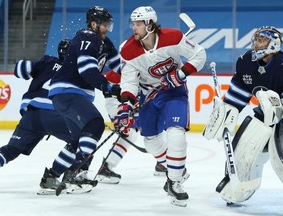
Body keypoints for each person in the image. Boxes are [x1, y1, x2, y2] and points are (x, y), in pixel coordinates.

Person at [114, 6, 206, 207]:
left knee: (176, 133)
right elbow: (128, 81)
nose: (134, 28)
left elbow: (199, 54)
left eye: (138, 24)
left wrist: (180, 75)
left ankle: (174, 182)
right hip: (148, 95)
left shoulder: (173, 37)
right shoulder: (128, 50)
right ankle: (177, 169)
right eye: (133, 24)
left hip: (174, 92)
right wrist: (126, 104)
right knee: (151, 142)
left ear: (149, 24)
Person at [39, 6, 121, 193]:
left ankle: (50, 178)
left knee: (77, 140)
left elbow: (122, 68)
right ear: (93, 24)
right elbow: (87, 69)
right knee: (94, 124)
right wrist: (108, 87)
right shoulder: (87, 36)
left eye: (109, 23)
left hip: (67, 95)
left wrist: (140, 82)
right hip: (68, 92)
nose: (108, 27)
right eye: (105, 24)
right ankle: (77, 173)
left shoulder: (105, 43)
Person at [203, 26, 283, 205]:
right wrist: (225, 113)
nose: (256, 43)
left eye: (261, 40)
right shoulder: (246, 62)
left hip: (282, 121)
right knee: (241, 155)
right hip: (263, 117)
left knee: (281, 161)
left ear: (274, 44)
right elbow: (236, 96)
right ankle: (237, 190)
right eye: (255, 39)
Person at [0, 39, 77, 182]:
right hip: (55, 114)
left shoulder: (48, 61)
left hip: (31, 115)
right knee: (83, 140)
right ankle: (65, 177)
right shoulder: (75, 72)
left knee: (11, 149)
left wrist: (37, 65)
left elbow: (19, 69)